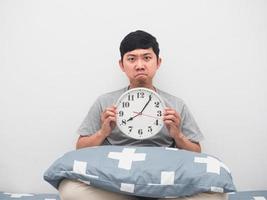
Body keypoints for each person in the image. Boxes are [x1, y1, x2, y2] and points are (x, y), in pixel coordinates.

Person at [58, 30, 226, 200]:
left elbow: (196, 151)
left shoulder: (176, 104)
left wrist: (178, 135)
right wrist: (103, 132)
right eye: (132, 59)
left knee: (217, 195)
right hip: (117, 179)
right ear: (122, 65)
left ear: (158, 62)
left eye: (147, 58)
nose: (140, 65)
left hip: (161, 178)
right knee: (69, 190)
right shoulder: (105, 102)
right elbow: (80, 148)